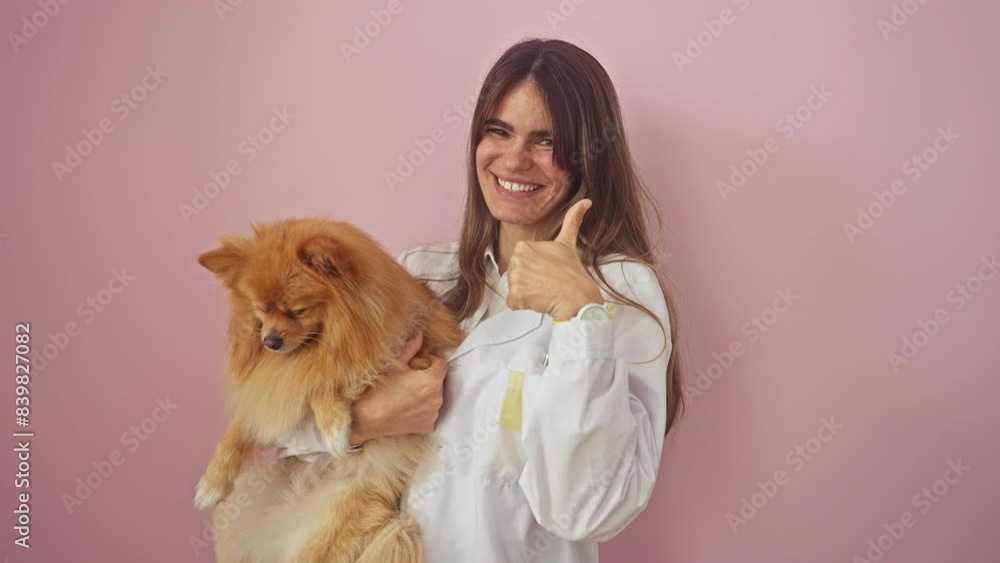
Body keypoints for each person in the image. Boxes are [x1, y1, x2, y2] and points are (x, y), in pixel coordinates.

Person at [288, 38, 684, 562]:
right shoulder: (420, 273)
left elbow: (588, 511)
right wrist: (367, 420)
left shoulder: (618, 291)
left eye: (547, 141)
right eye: (499, 131)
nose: (515, 160)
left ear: (590, 157)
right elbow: (284, 432)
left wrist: (579, 319)